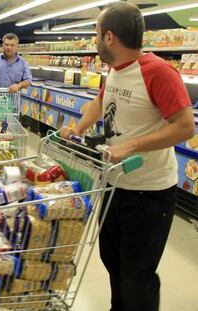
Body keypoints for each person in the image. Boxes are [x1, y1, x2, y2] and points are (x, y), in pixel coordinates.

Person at [59, 3, 194, 311]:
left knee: (137, 276)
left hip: (150, 194)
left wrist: (130, 146)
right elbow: (101, 100)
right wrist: (76, 127)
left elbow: (185, 127)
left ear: (109, 38)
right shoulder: (114, 69)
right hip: (114, 186)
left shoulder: (159, 72)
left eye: (95, 34)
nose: (93, 40)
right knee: (112, 261)